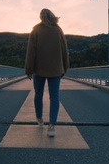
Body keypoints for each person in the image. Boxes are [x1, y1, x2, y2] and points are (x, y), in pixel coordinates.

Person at [25, 8, 69, 137]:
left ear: (41, 17)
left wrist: (29, 69)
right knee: (54, 96)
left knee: (38, 94)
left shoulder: (36, 30)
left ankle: (39, 118)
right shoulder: (58, 30)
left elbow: (30, 52)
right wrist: (65, 67)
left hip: (39, 69)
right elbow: (64, 50)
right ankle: (51, 126)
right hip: (55, 68)